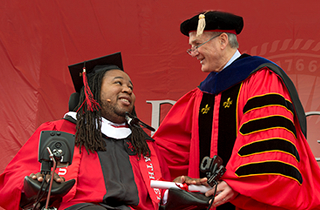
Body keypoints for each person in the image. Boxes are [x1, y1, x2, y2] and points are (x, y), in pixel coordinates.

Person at [153, 11, 320, 209]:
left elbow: (267, 142)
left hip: (250, 203)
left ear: (223, 40)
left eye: (197, 45)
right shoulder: (201, 94)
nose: (194, 52)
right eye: (191, 48)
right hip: (210, 201)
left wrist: (238, 183)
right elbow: (172, 149)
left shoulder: (262, 80)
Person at [0, 52, 170, 210]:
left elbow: (165, 191)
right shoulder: (59, 132)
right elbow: (13, 179)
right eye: (118, 83)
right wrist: (32, 184)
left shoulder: (145, 145)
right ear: (93, 90)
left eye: (130, 87)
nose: (128, 90)